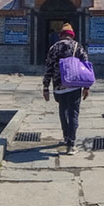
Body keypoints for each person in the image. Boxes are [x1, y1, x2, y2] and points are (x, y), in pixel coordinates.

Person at [42, 22, 90, 155]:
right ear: (72, 35)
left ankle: (65, 137)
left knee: (63, 111)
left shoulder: (54, 48)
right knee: (73, 113)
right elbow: (86, 67)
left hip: (58, 86)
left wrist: (45, 87)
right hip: (75, 85)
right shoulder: (78, 47)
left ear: (61, 35)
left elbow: (49, 68)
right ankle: (71, 145)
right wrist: (86, 86)